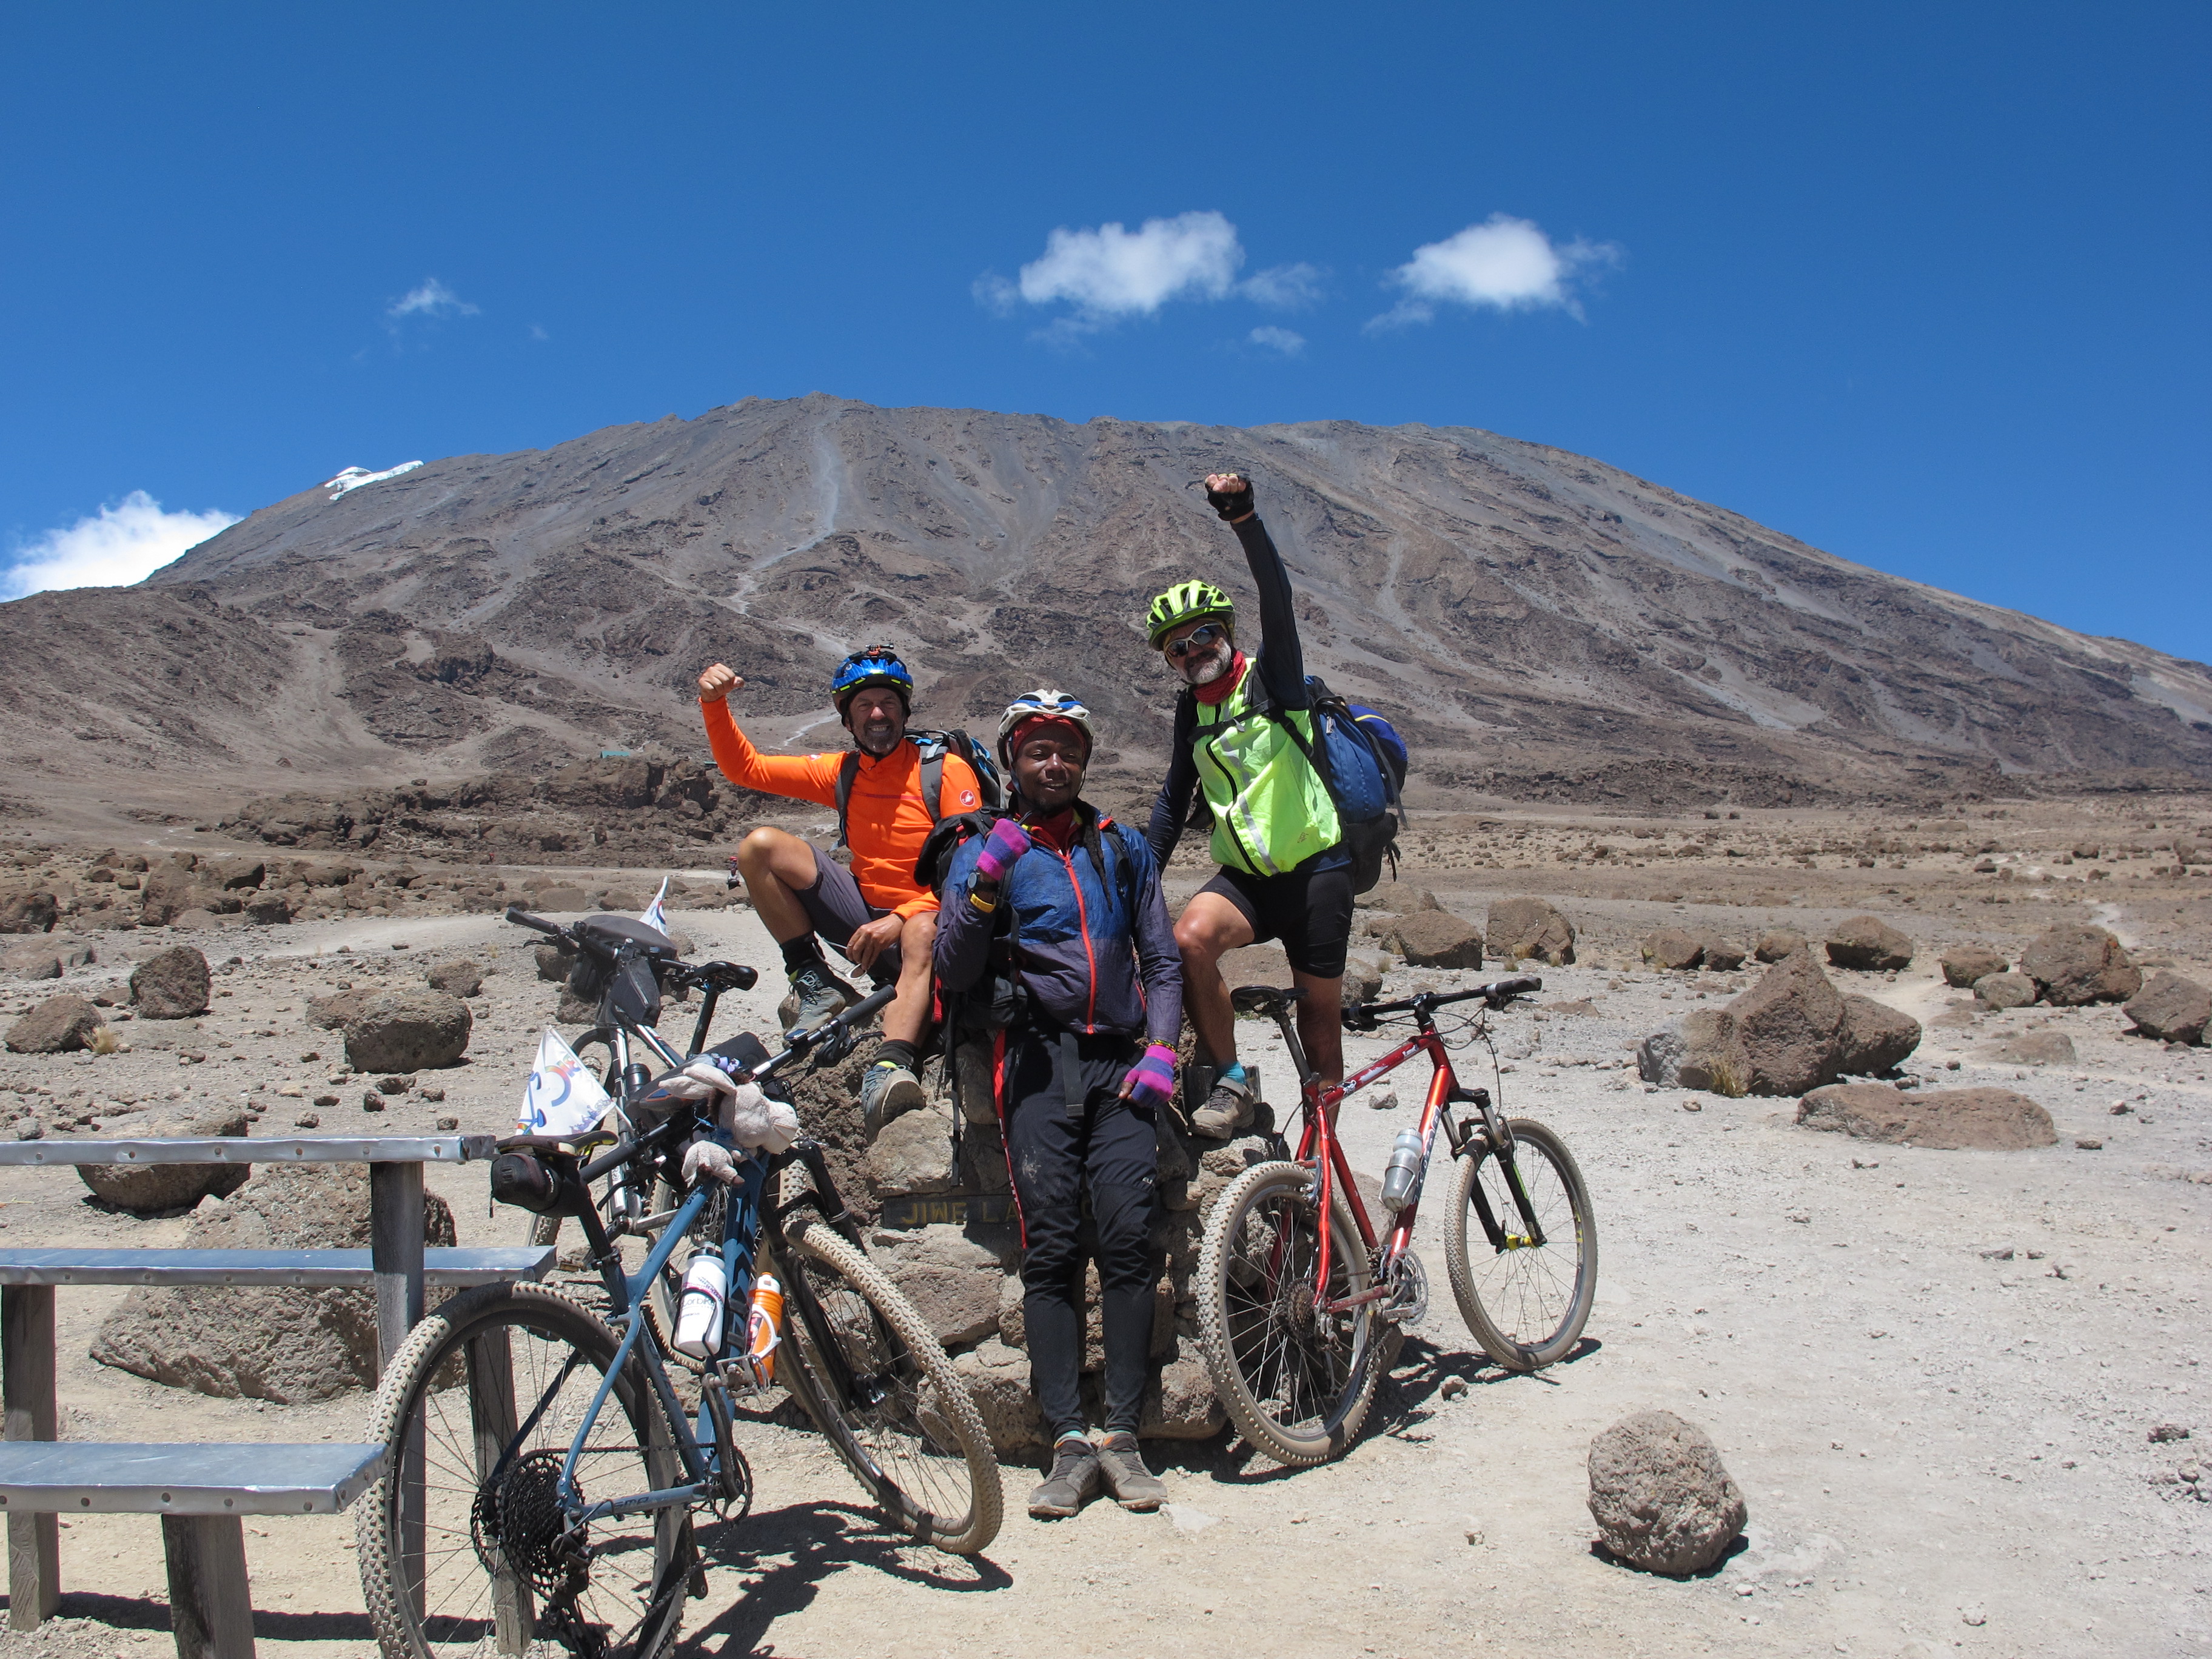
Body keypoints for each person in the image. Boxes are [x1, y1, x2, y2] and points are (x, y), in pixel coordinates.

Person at [933, 689, 1182, 1519]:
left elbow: (1163, 960)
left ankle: (1123, 1436)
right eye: (1037, 749)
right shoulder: (986, 848)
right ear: (1012, 761)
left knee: (1126, 1237)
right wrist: (987, 881)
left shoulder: (1121, 849)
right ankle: (1067, 1443)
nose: (1053, 763)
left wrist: (1160, 1050)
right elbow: (956, 968)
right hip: (1037, 1063)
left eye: (1066, 749)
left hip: (1119, 1065)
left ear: (1083, 759)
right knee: (1050, 1247)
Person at [696, 647, 984, 1131]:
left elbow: (973, 866)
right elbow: (746, 769)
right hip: (865, 919)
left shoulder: (944, 771)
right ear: (848, 719)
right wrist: (714, 706)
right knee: (758, 848)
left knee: (919, 930)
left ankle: (892, 1065)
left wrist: (902, 916)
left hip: (935, 927)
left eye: (888, 705)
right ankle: (816, 982)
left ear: (904, 712)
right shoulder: (843, 773)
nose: (877, 714)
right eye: (864, 706)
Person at [1144, 471, 1352, 1138]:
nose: (1193, 650)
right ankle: (1231, 1079)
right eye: (1177, 647)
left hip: (1318, 872)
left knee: (1321, 1024)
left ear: (1224, 630)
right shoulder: (1190, 715)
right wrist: (1135, 880)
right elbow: (1174, 803)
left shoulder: (1273, 681)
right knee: (1188, 940)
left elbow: (1278, 598)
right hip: (1247, 881)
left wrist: (1245, 521)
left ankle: (1323, 1153)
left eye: (1203, 634)